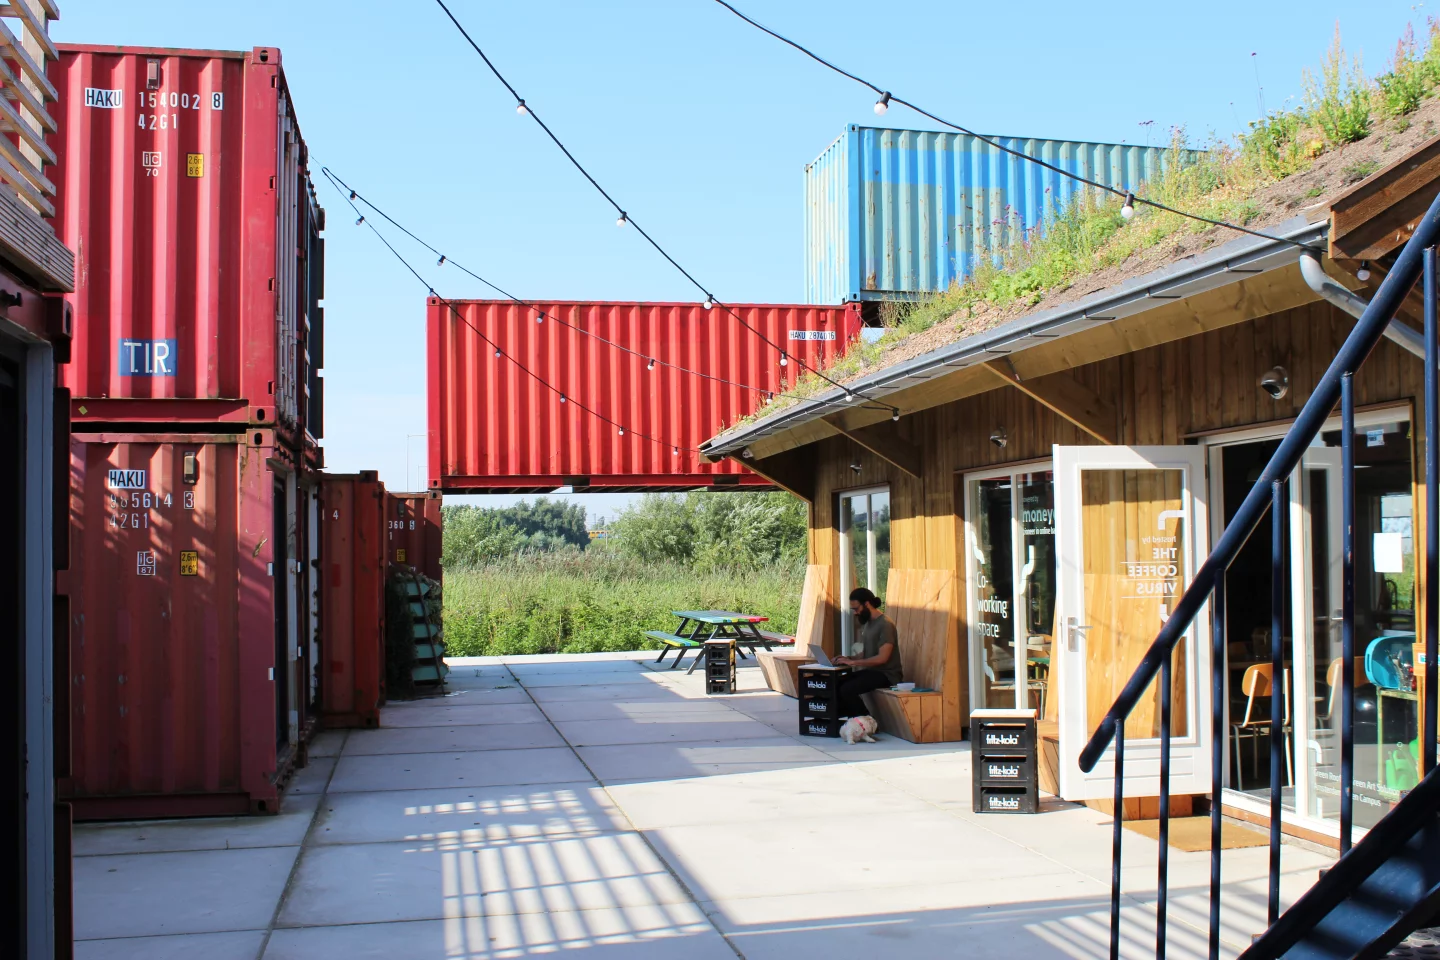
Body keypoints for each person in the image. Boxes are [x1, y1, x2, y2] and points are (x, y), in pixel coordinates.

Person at [834, 587, 903, 718]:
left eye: (856, 609)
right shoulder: (868, 623)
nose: (855, 613)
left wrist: (853, 662)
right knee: (837, 682)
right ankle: (850, 719)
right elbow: (867, 653)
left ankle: (867, 723)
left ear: (867, 604)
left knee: (848, 689)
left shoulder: (885, 624)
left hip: (887, 675)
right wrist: (847, 658)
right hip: (872, 672)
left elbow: (882, 658)